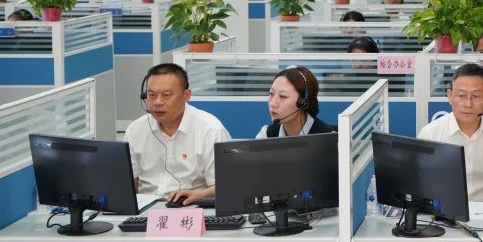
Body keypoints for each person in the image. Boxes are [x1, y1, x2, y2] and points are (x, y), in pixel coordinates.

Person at [125, 63, 230, 203]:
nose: (158, 102)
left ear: (186, 95)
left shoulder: (211, 130)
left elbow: (225, 185)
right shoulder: (135, 130)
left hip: (191, 207)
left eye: (166, 95)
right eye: (152, 95)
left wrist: (200, 195)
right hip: (146, 209)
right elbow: (128, 185)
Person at [417, 63, 483, 202]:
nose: (468, 104)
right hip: (442, 213)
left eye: (476, 96)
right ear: (450, 96)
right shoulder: (431, 134)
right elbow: (422, 187)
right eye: (461, 95)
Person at [256, 66, 336, 138]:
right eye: (271, 94)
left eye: (283, 96)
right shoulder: (266, 135)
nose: (272, 103)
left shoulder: (328, 138)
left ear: (302, 102)